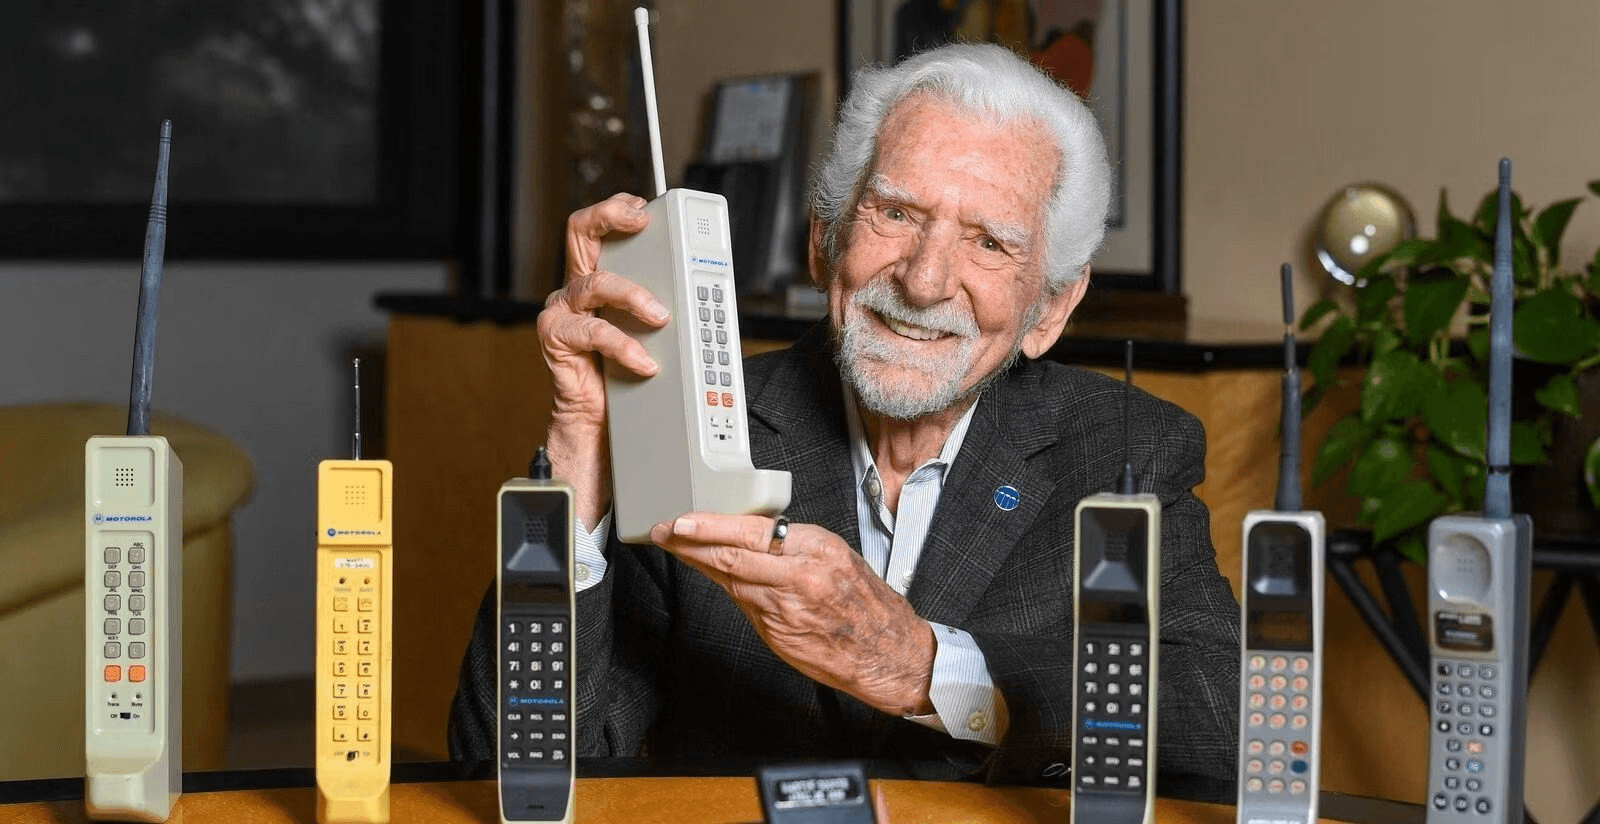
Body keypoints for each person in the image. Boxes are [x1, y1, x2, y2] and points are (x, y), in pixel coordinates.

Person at [449, 41, 1239, 785]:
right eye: (895, 214)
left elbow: (1223, 721)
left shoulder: (1123, 449)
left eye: (989, 243)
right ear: (824, 239)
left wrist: (927, 670)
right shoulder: (700, 434)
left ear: (1051, 308)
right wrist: (580, 447)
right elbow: (517, 763)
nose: (926, 281)